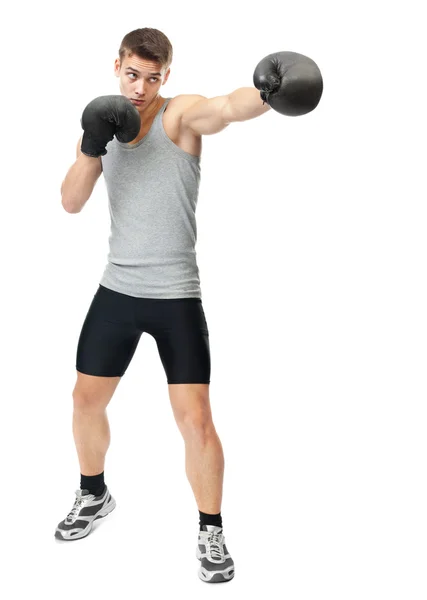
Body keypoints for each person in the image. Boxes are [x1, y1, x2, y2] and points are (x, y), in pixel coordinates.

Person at [55, 27, 323, 583]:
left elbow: (226, 108)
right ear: (117, 67)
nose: (140, 87)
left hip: (176, 294)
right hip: (117, 289)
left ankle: (211, 530)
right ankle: (93, 494)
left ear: (166, 77)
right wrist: (88, 146)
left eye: (153, 77)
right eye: (132, 74)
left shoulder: (179, 116)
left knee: (196, 420)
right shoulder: (104, 123)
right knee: (84, 401)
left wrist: (267, 90)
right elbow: (71, 202)